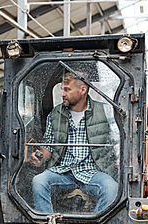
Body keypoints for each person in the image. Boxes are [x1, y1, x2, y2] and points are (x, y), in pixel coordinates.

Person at [30, 71, 118, 214]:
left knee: (111, 188)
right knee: (39, 181)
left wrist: (119, 157)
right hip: (64, 172)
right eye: (62, 89)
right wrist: (39, 156)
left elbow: (117, 142)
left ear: (82, 90)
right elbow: (48, 145)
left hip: (94, 172)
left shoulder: (104, 111)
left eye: (67, 89)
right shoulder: (55, 114)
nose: (62, 94)